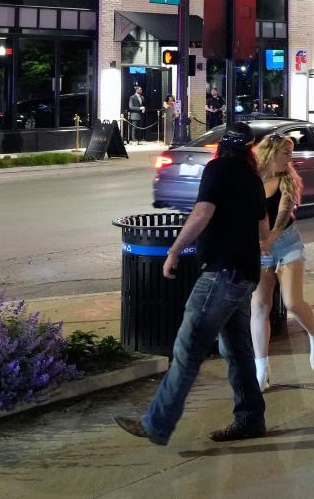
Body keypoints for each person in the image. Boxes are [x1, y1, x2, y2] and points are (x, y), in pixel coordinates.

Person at [115, 123, 269, 445]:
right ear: (249, 148)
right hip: (244, 276)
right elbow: (263, 231)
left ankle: (157, 424)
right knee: (238, 351)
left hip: (220, 275)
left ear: (222, 145)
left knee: (187, 348)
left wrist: (173, 251)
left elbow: (201, 213)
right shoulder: (253, 180)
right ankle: (250, 419)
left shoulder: (217, 169)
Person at [249, 134, 314, 391]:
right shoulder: (252, 178)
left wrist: (271, 237)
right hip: (259, 247)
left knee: (292, 301)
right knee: (259, 306)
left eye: (290, 154)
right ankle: (261, 369)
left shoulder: (287, 179)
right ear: (271, 153)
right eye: (286, 154)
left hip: (286, 243)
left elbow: (283, 212)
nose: (289, 159)